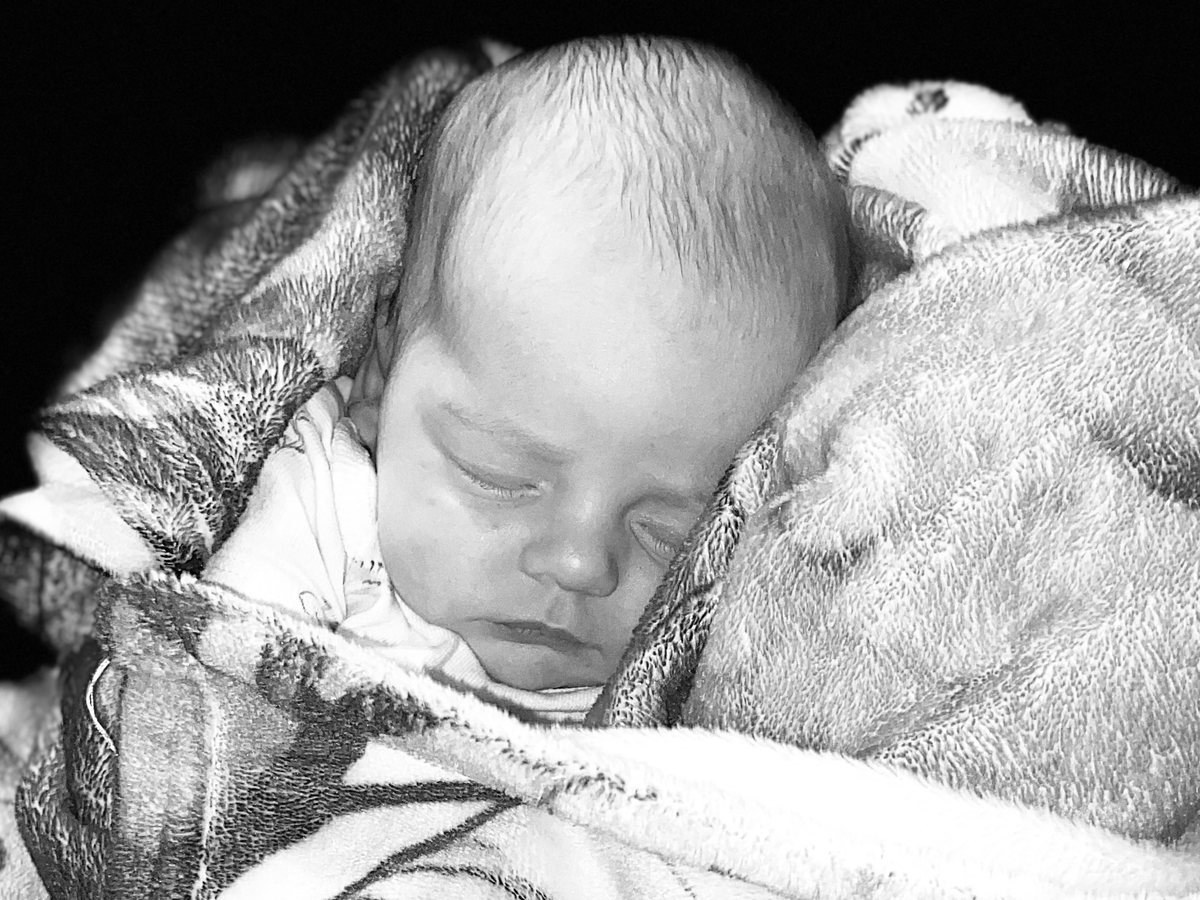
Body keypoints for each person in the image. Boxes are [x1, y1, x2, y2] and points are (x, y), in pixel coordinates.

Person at [204, 34, 849, 723]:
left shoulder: (702, 678)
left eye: (670, 533)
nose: (579, 564)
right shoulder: (318, 507)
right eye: (498, 477)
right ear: (379, 381)